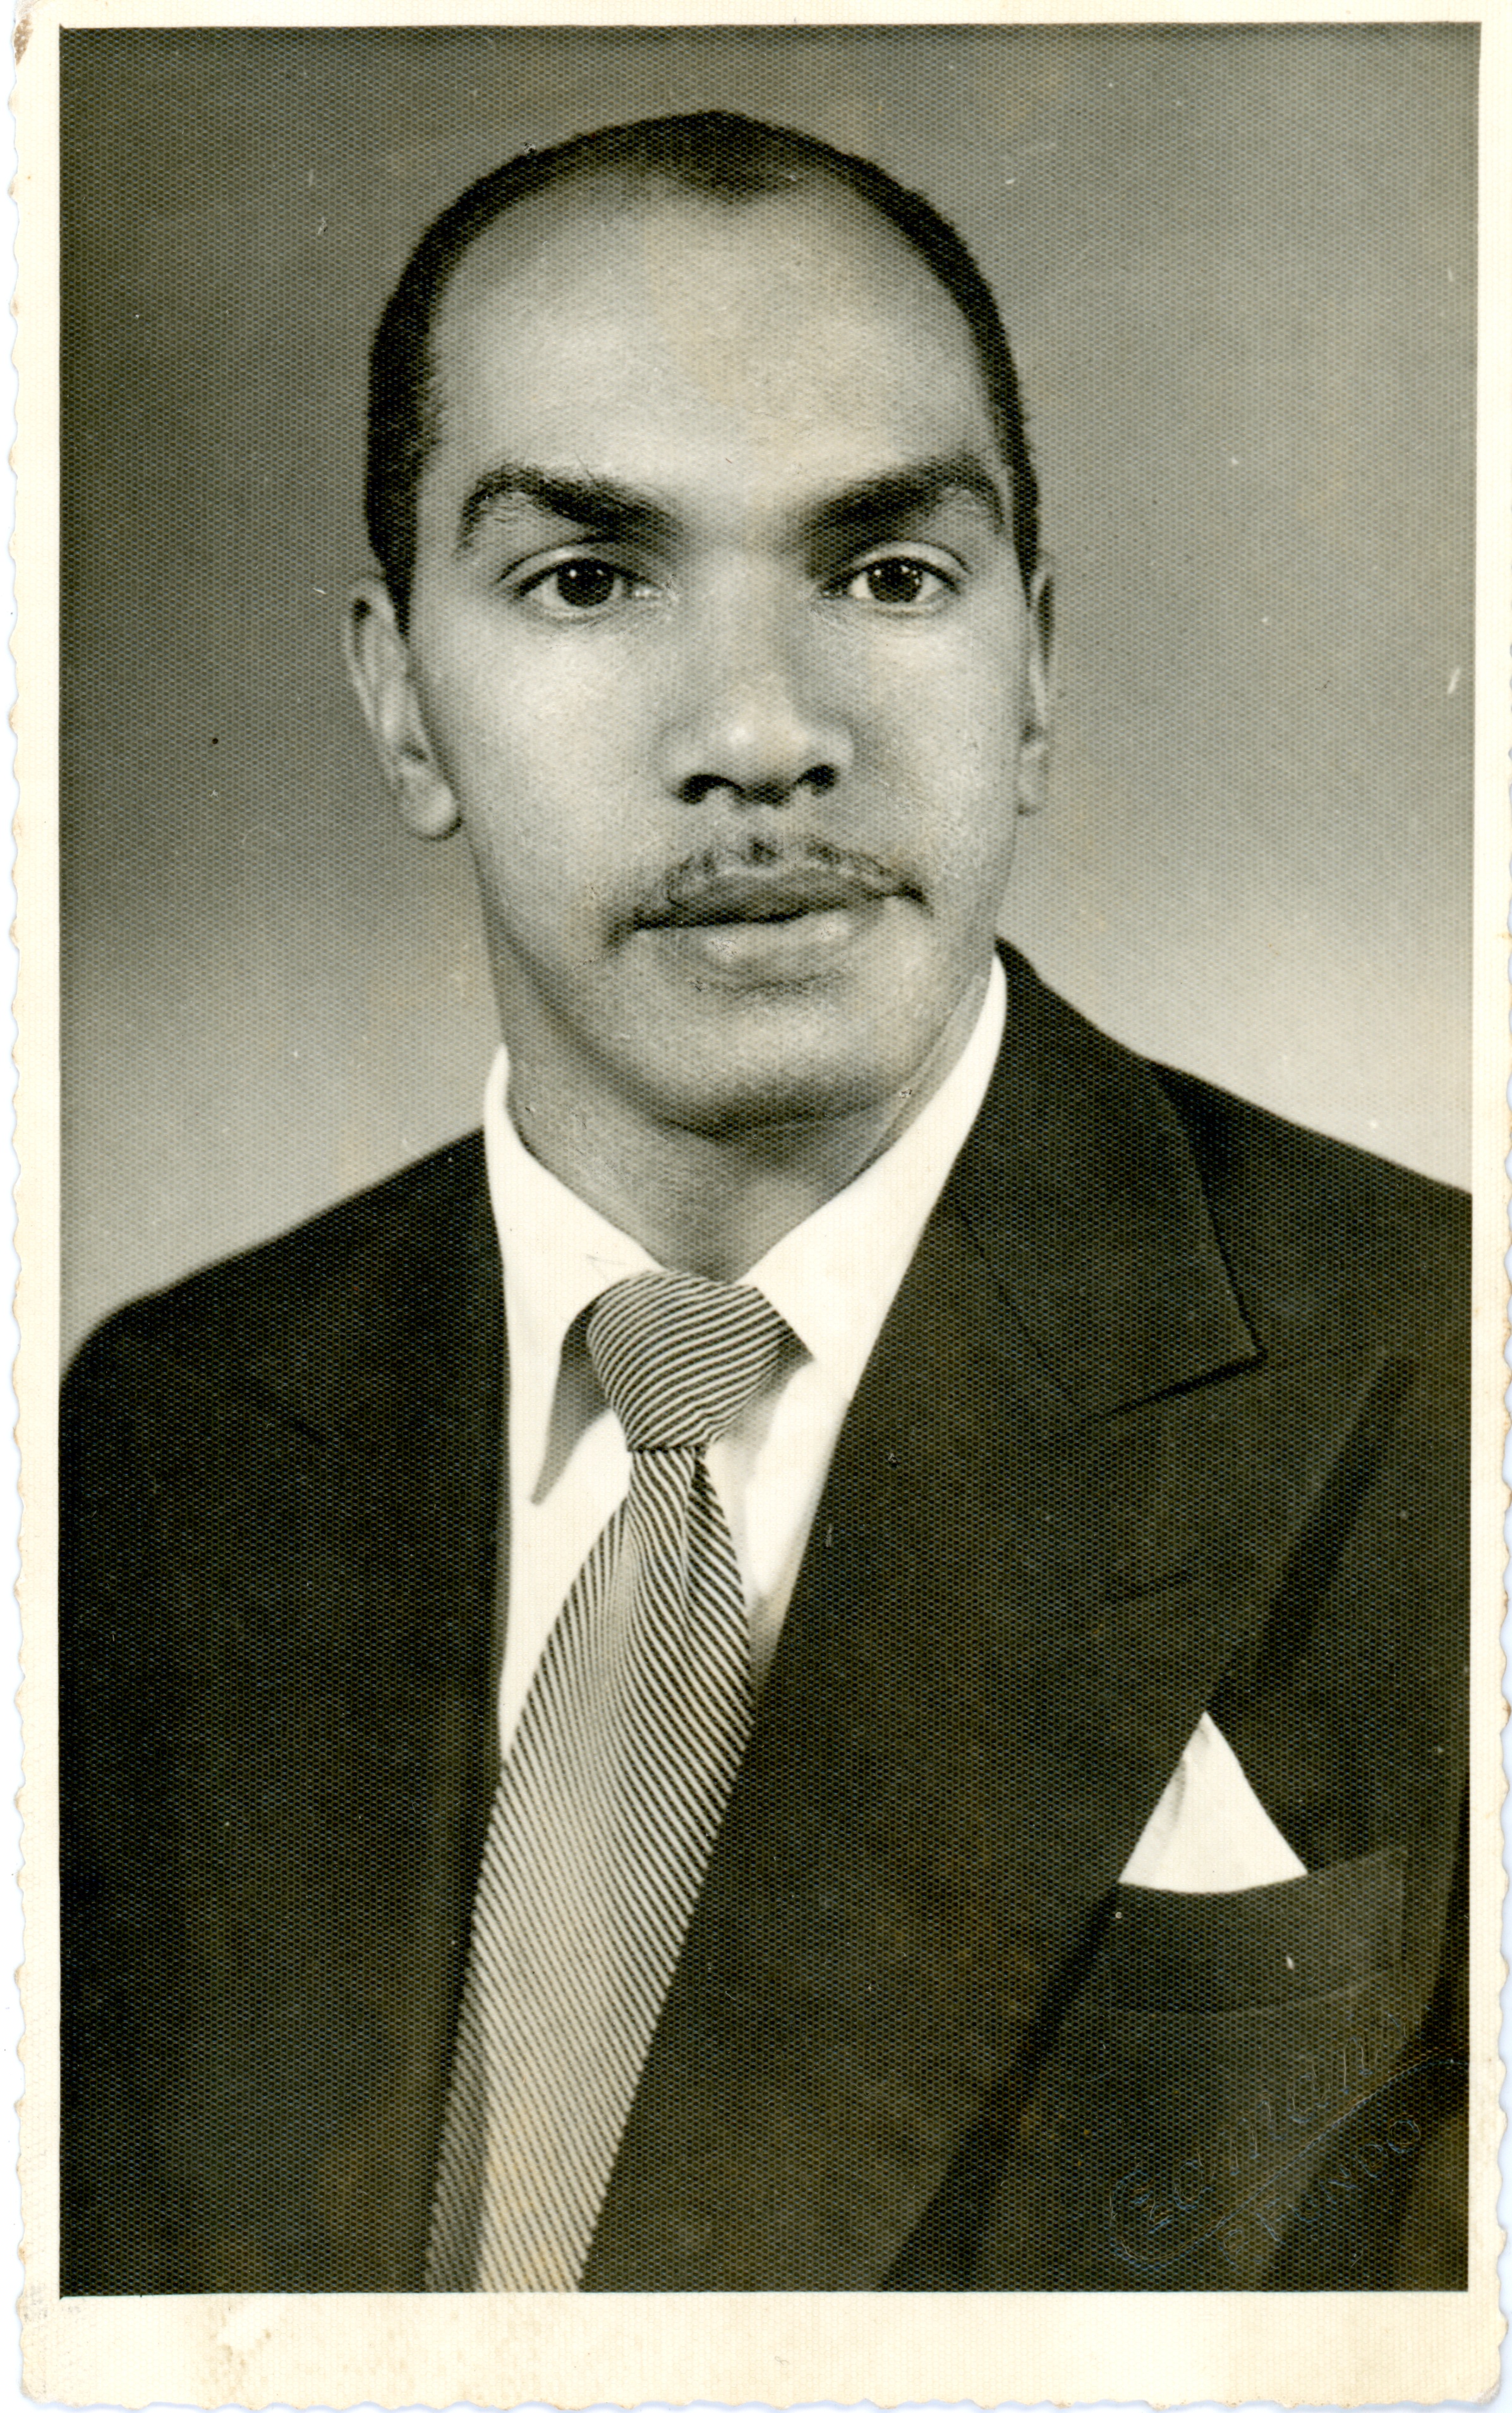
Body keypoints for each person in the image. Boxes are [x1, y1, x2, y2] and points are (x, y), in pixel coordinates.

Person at [60, 111, 1468, 2296]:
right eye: (588, 578)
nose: (756, 733)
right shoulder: (156, 1438)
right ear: (399, 703)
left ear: (1033, 670)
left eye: (886, 573)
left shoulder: (1451, 1376)